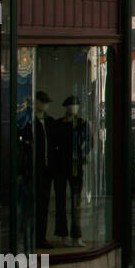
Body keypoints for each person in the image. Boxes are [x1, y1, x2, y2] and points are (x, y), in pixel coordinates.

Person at [49, 95, 89, 248]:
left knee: (76, 202)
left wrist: (82, 156)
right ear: (65, 107)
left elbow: (89, 142)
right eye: (70, 105)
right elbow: (53, 144)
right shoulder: (58, 124)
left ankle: (76, 235)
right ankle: (62, 234)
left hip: (75, 166)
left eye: (75, 105)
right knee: (60, 201)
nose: (73, 108)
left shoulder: (82, 124)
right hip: (61, 166)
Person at [18, 91, 55, 249]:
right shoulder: (28, 123)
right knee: (30, 207)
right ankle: (29, 239)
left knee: (43, 206)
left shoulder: (50, 122)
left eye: (47, 102)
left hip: (46, 170)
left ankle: (40, 237)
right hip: (32, 171)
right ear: (37, 102)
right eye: (43, 102)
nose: (46, 105)